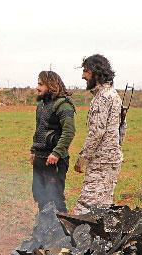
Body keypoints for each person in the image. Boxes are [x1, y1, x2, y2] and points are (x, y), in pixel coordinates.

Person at [73, 54, 123, 214]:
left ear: (96, 72)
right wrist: (116, 150)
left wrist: (82, 159)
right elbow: (123, 129)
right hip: (111, 161)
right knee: (102, 211)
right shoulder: (114, 95)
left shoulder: (102, 98)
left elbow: (96, 133)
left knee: (84, 211)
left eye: (86, 71)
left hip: (101, 163)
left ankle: (80, 239)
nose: (83, 76)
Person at [30, 70, 75, 213]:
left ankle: (63, 232)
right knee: (40, 197)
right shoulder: (41, 105)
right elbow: (39, 130)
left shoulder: (64, 105)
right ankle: (43, 231)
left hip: (54, 161)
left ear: (51, 85)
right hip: (40, 158)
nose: (37, 87)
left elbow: (69, 132)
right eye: (38, 83)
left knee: (56, 199)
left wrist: (56, 153)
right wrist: (33, 151)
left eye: (41, 84)